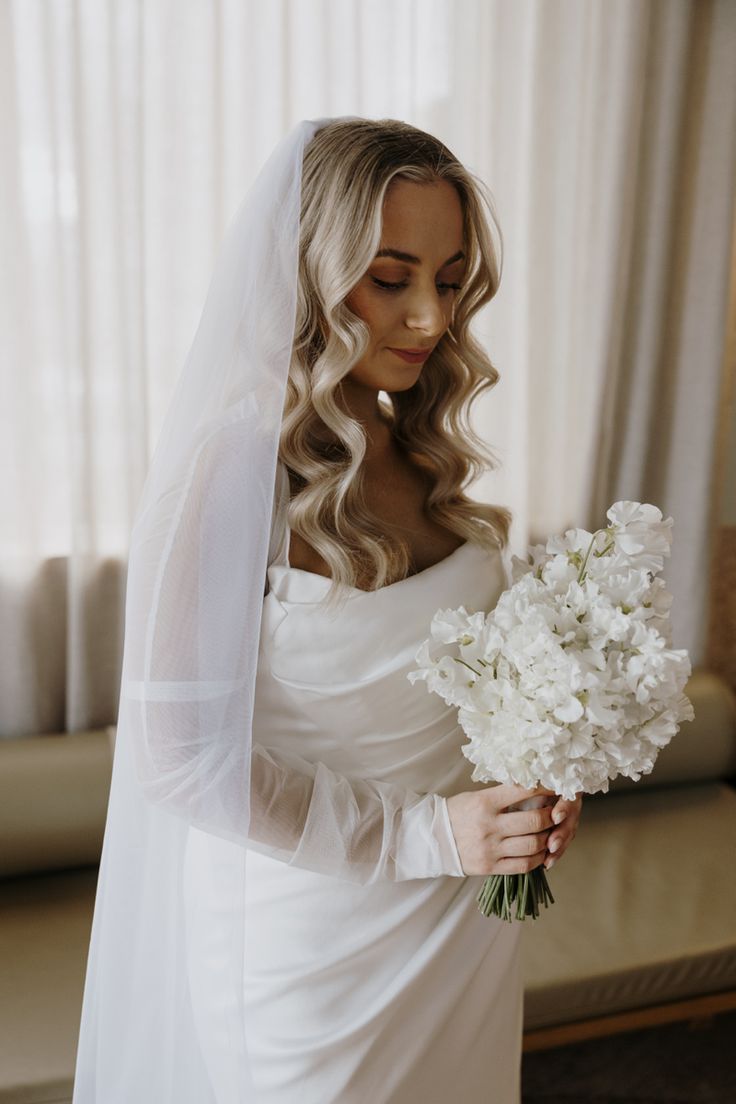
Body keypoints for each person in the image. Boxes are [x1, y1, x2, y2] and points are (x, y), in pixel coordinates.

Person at [72, 115, 582, 1104]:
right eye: (389, 278)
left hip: (458, 922)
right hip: (314, 946)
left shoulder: (416, 447)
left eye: (449, 276)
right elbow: (179, 762)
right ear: (308, 269)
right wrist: (425, 837)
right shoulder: (227, 473)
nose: (430, 316)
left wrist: (530, 785)